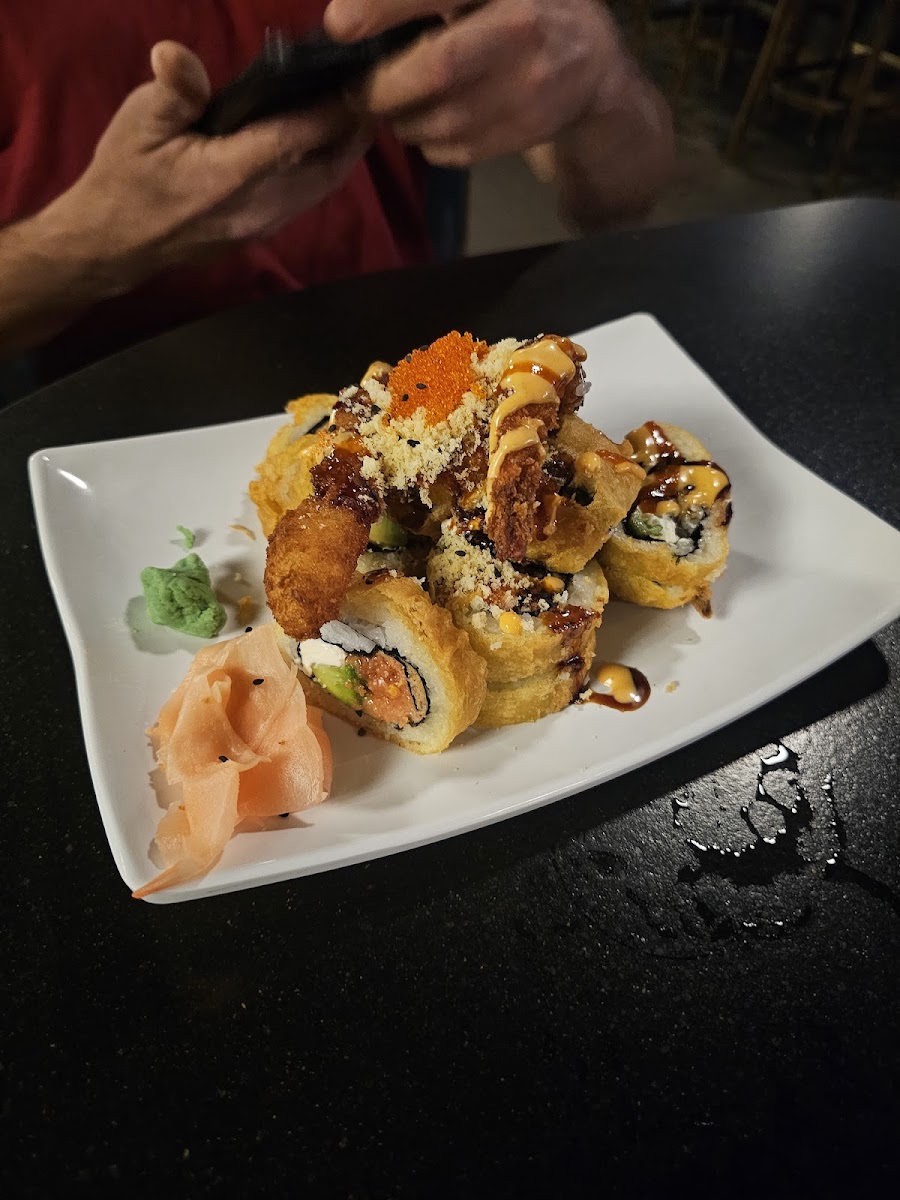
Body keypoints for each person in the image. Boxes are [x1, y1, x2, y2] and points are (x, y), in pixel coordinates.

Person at [0, 0, 673, 384]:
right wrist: (92, 247)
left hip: (410, 374)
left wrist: (601, 81)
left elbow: (621, 202)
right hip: (101, 405)